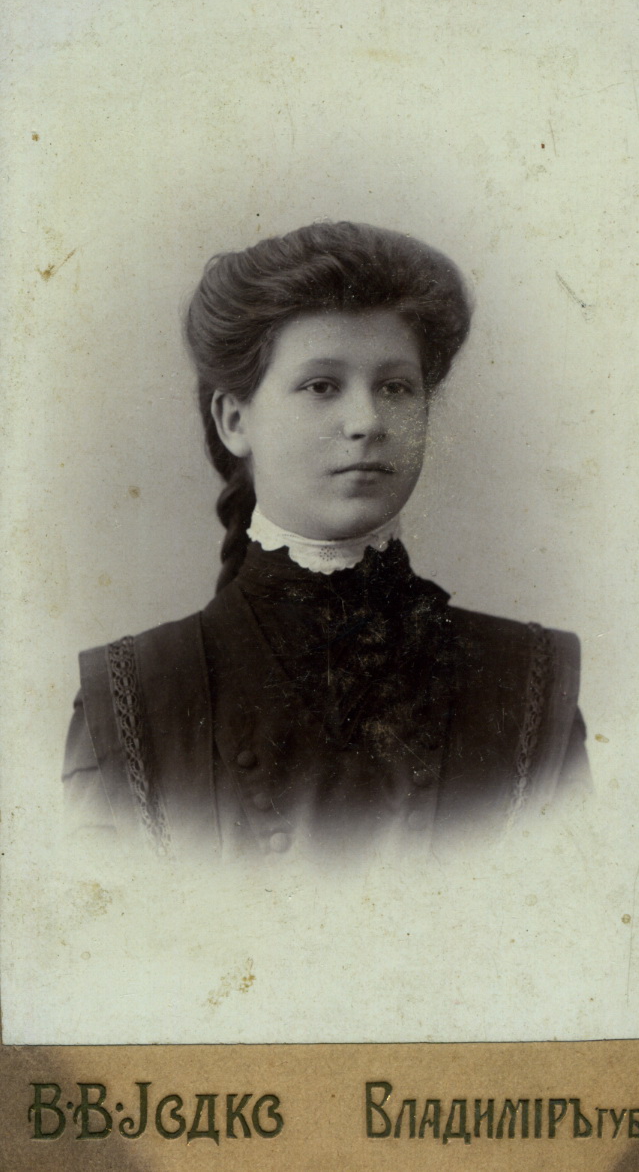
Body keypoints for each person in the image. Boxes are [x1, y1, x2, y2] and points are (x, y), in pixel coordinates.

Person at [62, 220, 588, 860]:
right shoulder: (134, 697)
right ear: (234, 420)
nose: (367, 421)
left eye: (395, 387)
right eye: (321, 386)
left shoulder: (526, 682)